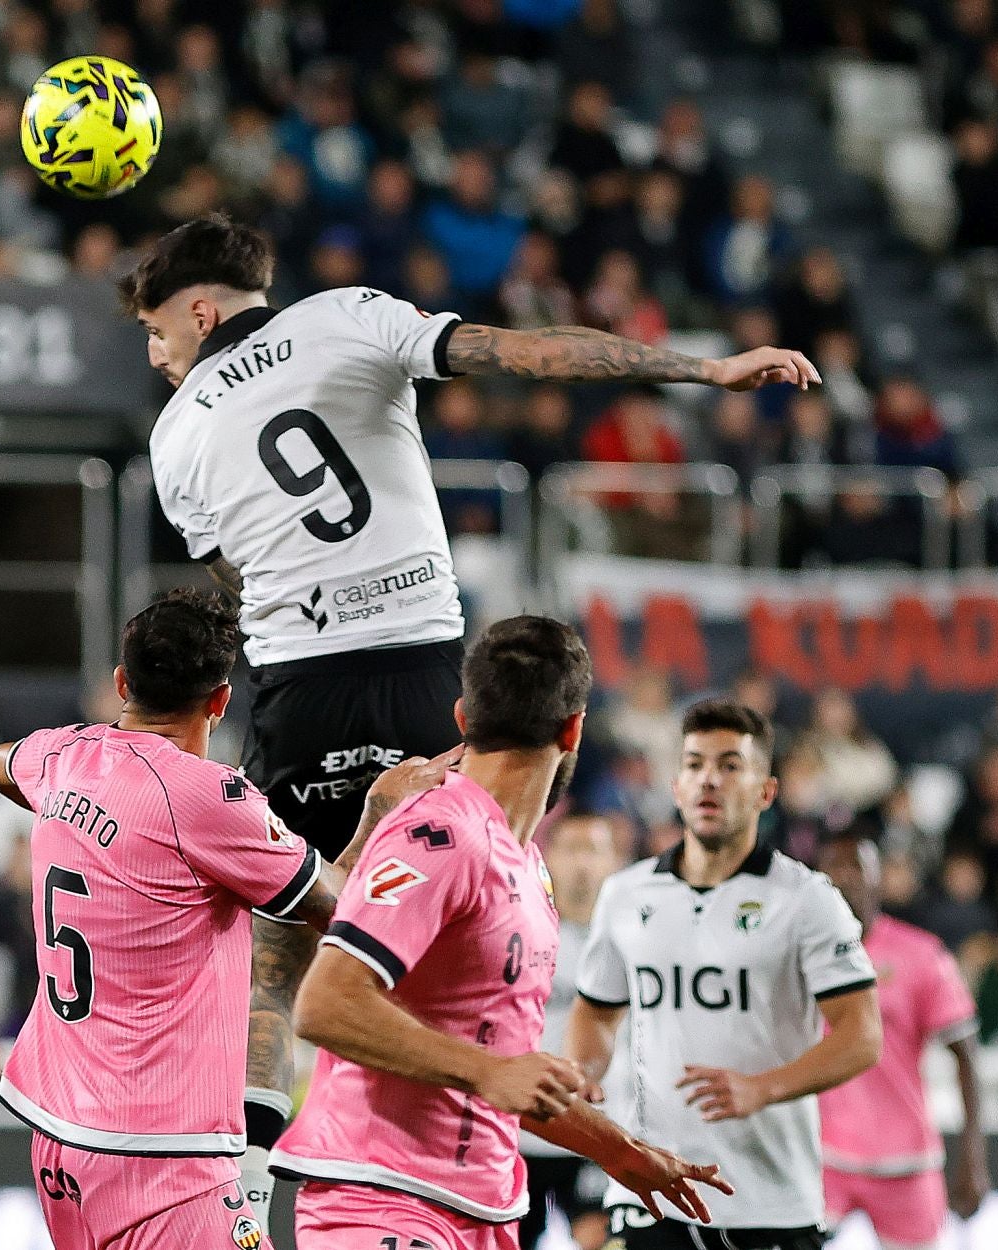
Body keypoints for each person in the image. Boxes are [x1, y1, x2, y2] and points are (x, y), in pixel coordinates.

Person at [119, 215, 820, 1206]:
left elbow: (237, 570)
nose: (157, 354)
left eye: (157, 332)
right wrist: (703, 371)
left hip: (301, 679)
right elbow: (527, 353)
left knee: (282, 946)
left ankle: (243, 1178)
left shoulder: (179, 429)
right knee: (472, 909)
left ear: (198, 311)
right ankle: (473, 1161)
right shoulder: (347, 317)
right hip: (422, 669)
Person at [0, 590, 457, 1250]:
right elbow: (339, 908)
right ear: (221, 700)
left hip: (55, 1131)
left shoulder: (61, 758)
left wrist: (73, 814)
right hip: (162, 1152)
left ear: (122, 683)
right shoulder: (208, 800)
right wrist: (378, 813)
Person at [273, 617, 732, 1246]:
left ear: (463, 717)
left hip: (483, 1207)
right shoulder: (437, 834)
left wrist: (619, 1151)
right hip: (383, 1198)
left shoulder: (527, 865)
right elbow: (326, 1003)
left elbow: (507, 1069)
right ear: (574, 728)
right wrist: (489, 1071)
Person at [568, 700, 883, 1248]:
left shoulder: (807, 900)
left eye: (730, 765)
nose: (708, 779)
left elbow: (862, 1036)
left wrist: (762, 1088)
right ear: (675, 785)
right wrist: (584, 1071)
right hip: (649, 1192)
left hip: (769, 1198)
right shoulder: (625, 894)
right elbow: (595, 1013)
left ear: (766, 791)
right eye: (694, 765)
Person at [817, 835, 988, 1250]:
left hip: (904, 1158)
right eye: (833, 868)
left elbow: (965, 1054)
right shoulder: (801, 953)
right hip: (822, 1154)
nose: (844, 878)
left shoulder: (921, 954)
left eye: (855, 867)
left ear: (879, 878)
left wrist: (973, 1157)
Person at [520, 817, 626, 1250]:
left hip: (595, 1129)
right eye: (571, 849)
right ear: (549, 859)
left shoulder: (632, 940)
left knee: (601, 1238)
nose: (582, 863)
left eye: (594, 850)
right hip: (519, 1132)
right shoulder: (520, 932)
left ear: (613, 860)